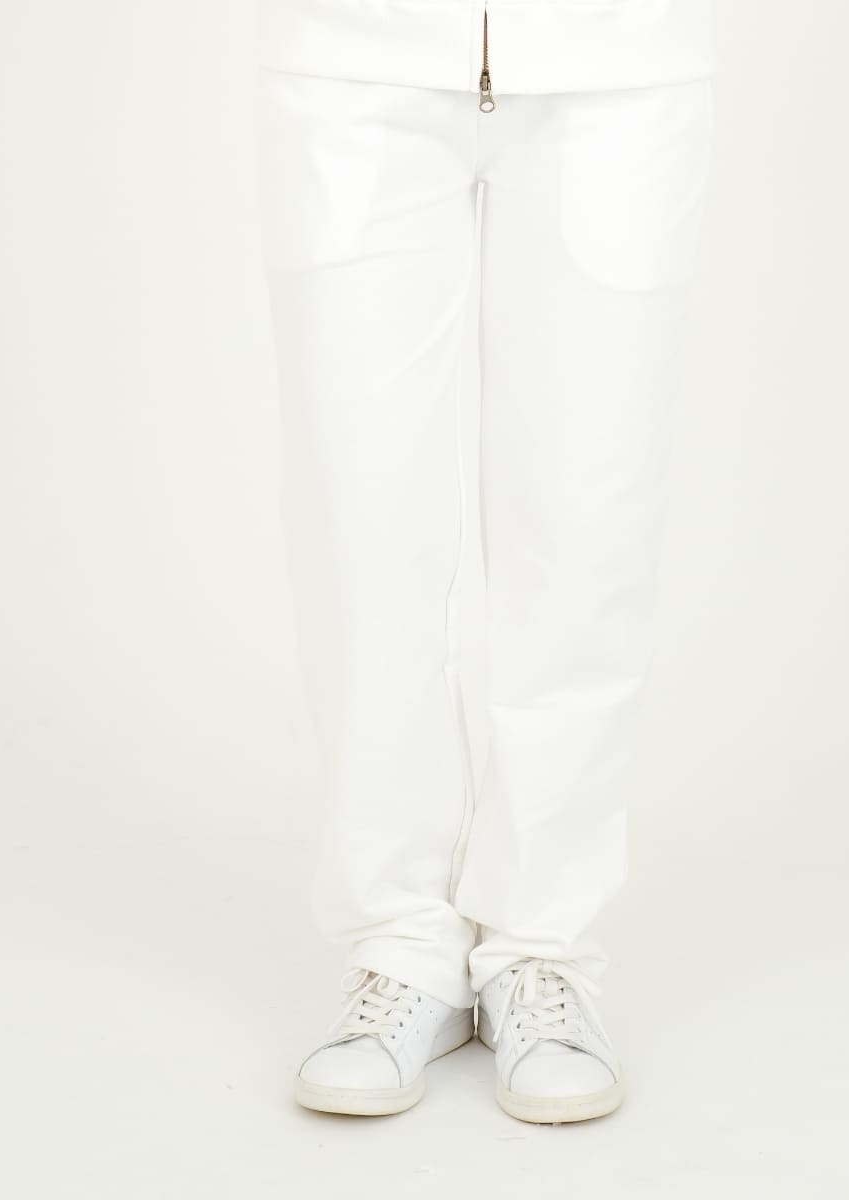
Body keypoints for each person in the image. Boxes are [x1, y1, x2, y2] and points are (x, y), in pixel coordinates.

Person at [255, 0, 717, 1124]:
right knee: (360, 527)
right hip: (355, 62)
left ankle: (539, 949)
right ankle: (401, 943)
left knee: (587, 521)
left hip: (618, 64)